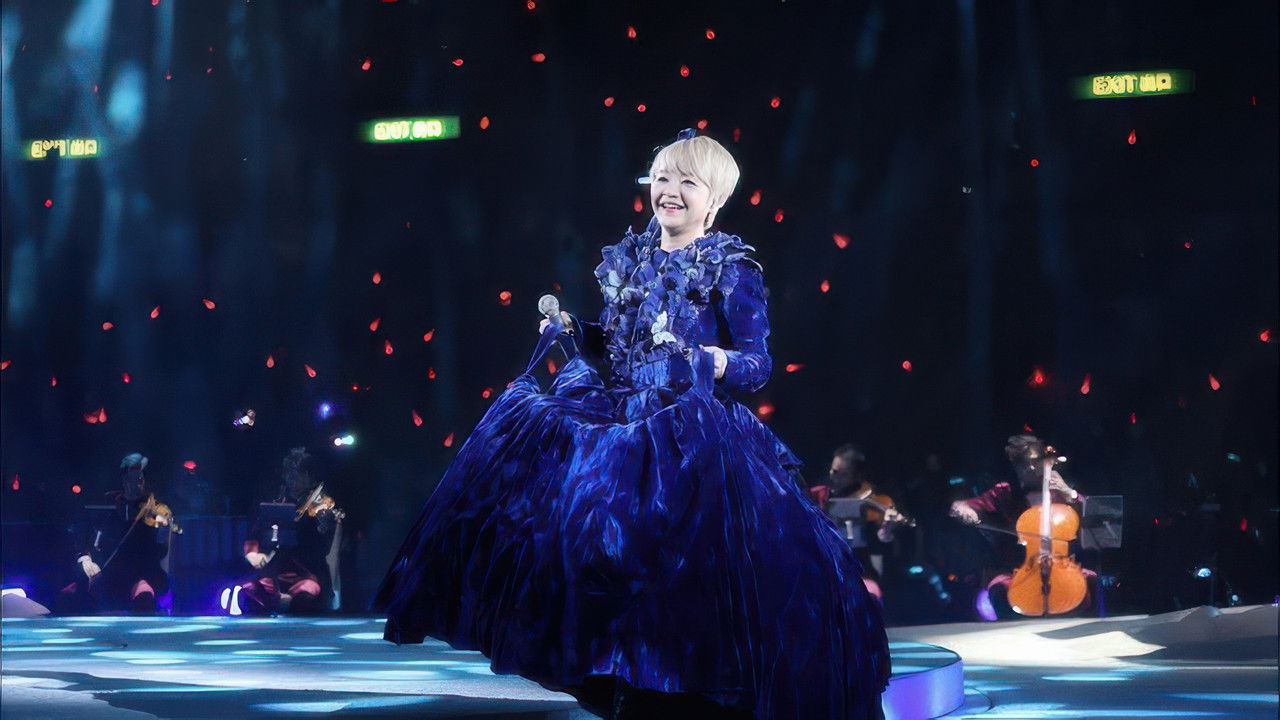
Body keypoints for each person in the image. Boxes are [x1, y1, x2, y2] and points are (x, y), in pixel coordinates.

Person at [376, 130, 890, 719]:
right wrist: (577, 331)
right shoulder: (633, 258)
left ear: (715, 198)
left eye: (687, 182)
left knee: (681, 570)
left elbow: (758, 363)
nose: (670, 191)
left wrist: (716, 361)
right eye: (663, 178)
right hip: (619, 419)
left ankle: (680, 690)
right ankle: (613, 676)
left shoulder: (732, 269)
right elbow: (620, 344)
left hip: (688, 432)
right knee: (584, 544)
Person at [949, 434, 1095, 616]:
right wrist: (966, 511)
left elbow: (1094, 514)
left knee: (1090, 581)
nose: (1031, 467)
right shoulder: (1004, 492)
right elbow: (959, 507)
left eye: (1035, 461)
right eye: (1024, 464)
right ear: (1016, 467)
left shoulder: (1061, 490)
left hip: (1062, 565)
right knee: (999, 589)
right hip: (1017, 569)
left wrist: (1070, 494)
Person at [58, 453, 173, 614]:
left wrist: (163, 532)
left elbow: (159, 552)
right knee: (69, 595)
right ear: (124, 481)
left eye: (140, 480)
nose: (137, 484)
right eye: (132, 479)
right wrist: (85, 557)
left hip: (143, 571)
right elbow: (86, 532)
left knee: (144, 597)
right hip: (111, 570)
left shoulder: (154, 510)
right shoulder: (109, 505)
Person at [238, 448, 339, 614]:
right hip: (277, 569)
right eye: (288, 474)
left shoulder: (321, 504)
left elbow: (323, 546)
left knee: (304, 599)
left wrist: (324, 526)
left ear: (309, 476)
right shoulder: (278, 501)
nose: (291, 479)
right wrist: (252, 554)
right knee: (248, 593)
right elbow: (255, 534)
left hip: (308, 571)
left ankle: (287, 603)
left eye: (296, 474)